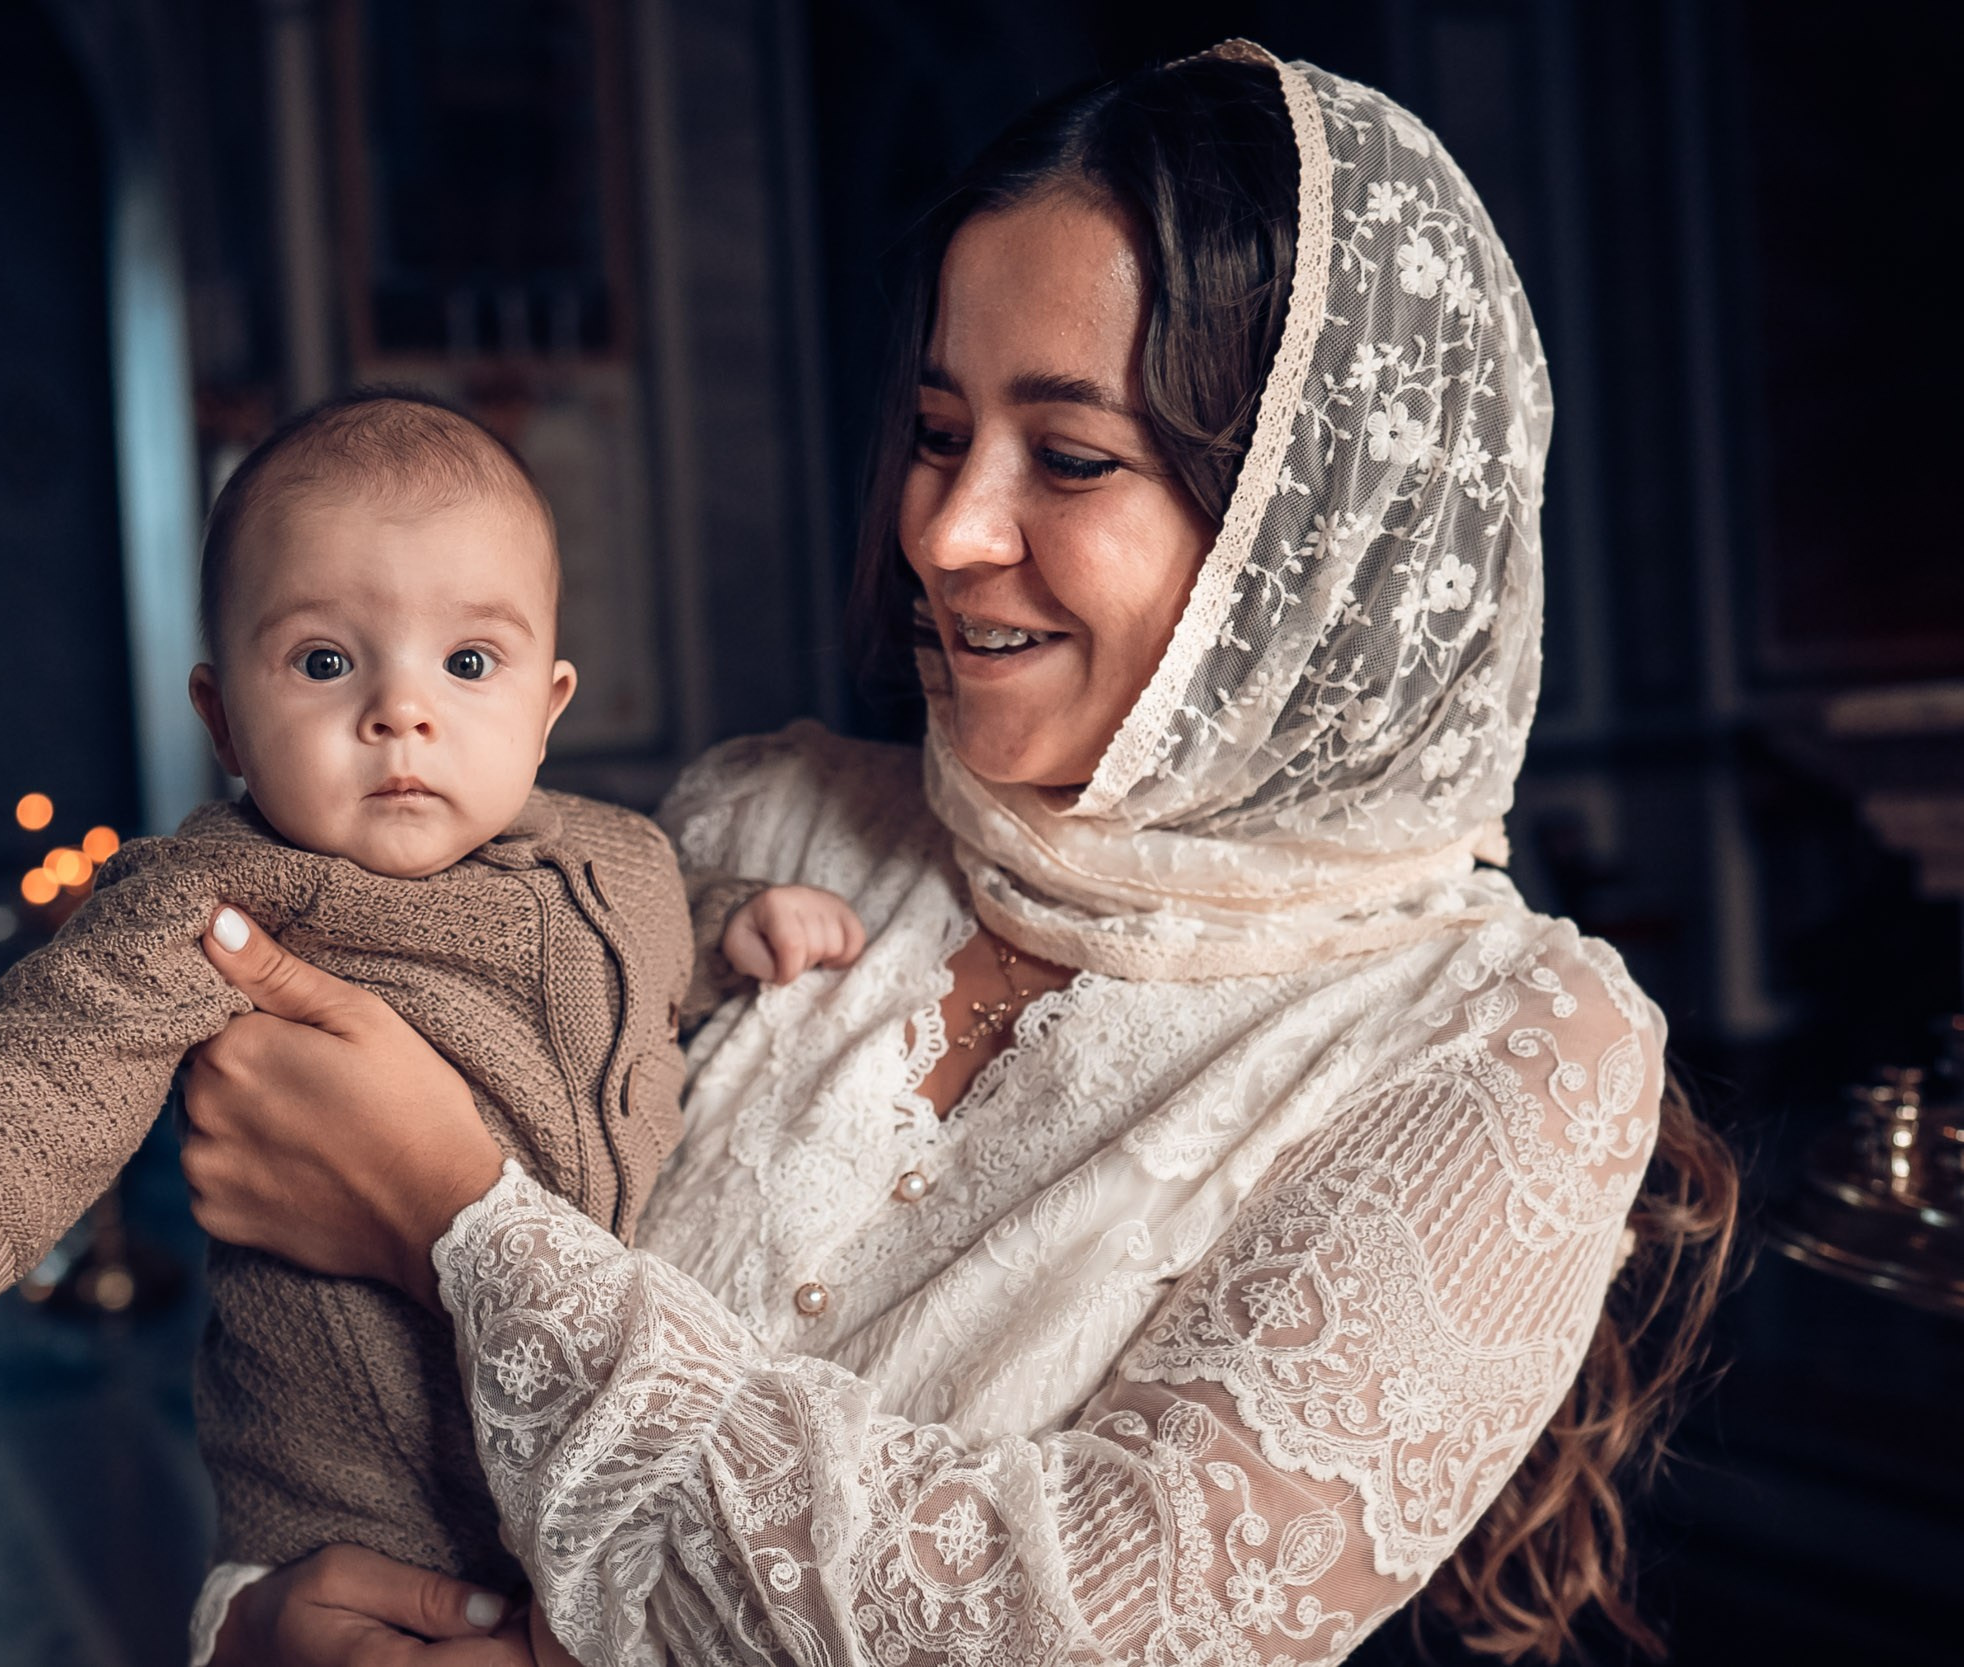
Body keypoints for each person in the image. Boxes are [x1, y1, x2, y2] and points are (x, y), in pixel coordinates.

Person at [179, 43, 1738, 1667]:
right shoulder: (762, 824)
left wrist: (455, 1216)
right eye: (937, 429)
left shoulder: (1505, 1043)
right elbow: (330, 1394)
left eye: (1069, 457)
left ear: (1312, 528)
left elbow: (1066, 1621)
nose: (943, 530)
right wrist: (267, 1619)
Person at [0, 392, 867, 1592]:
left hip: (589, 1442)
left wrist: (737, 927)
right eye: (323, 661)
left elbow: (653, 952)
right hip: (355, 1488)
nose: (399, 711)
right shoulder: (222, 892)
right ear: (225, 721)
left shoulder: (618, 855)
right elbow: (56, 1056)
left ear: (547, 707)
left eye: (468, 662)